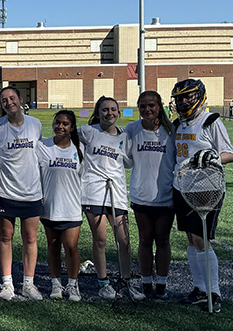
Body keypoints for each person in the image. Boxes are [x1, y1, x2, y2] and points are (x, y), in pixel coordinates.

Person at [171, 79, 233, 313]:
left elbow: (229, 153)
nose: (183, 101)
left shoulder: (210, 121)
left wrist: (214, 158)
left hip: (206, 188)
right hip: (183, 188)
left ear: (199, 96)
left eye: (188, 96)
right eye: (179, 97)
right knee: (191, 240)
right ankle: (199, 288)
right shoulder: (178, 124)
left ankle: (213, 291)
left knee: (201, 240)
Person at [79, 96, 144, 301]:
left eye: (113, 109)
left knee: (123, 239)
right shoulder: (88, 132)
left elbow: (128, 163)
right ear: (98, 113)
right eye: (105, 110)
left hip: (116, 193)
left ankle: (127, 281)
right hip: (93, 192)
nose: (110, 113)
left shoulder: (124, 137)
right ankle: (103, 282)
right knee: (101, 239)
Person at [0, 87, 43, 301]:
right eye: (4, 100)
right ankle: (7, 283)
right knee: (5, 237)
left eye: (12, 98)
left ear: (20, 99)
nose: (9, 102)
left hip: (31, 192)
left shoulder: (35, 124)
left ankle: (29, 283)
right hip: (6, 192)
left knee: (30, 238)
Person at [124, 91, 176, 299]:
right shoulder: (131, 129)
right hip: (141, 195)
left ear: (159, 106)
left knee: (162, 239)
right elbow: (125, 159)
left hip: (165, 195)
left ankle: (161, 283)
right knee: (145, 239)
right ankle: (146, 282)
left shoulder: (171, 131)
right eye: (143, 106)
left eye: (151, 105)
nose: (147, 110)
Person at [37, 110, 84, 301]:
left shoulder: (79, 150)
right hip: (49, 206)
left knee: (71, 246)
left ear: (72, 127)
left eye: (65, 124)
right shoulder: (43, 147)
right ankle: (56, 283)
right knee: (53, 245)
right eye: (57, 123)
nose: (60, 127)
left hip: (72, 208)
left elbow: (85, 178)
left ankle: (73, 284)